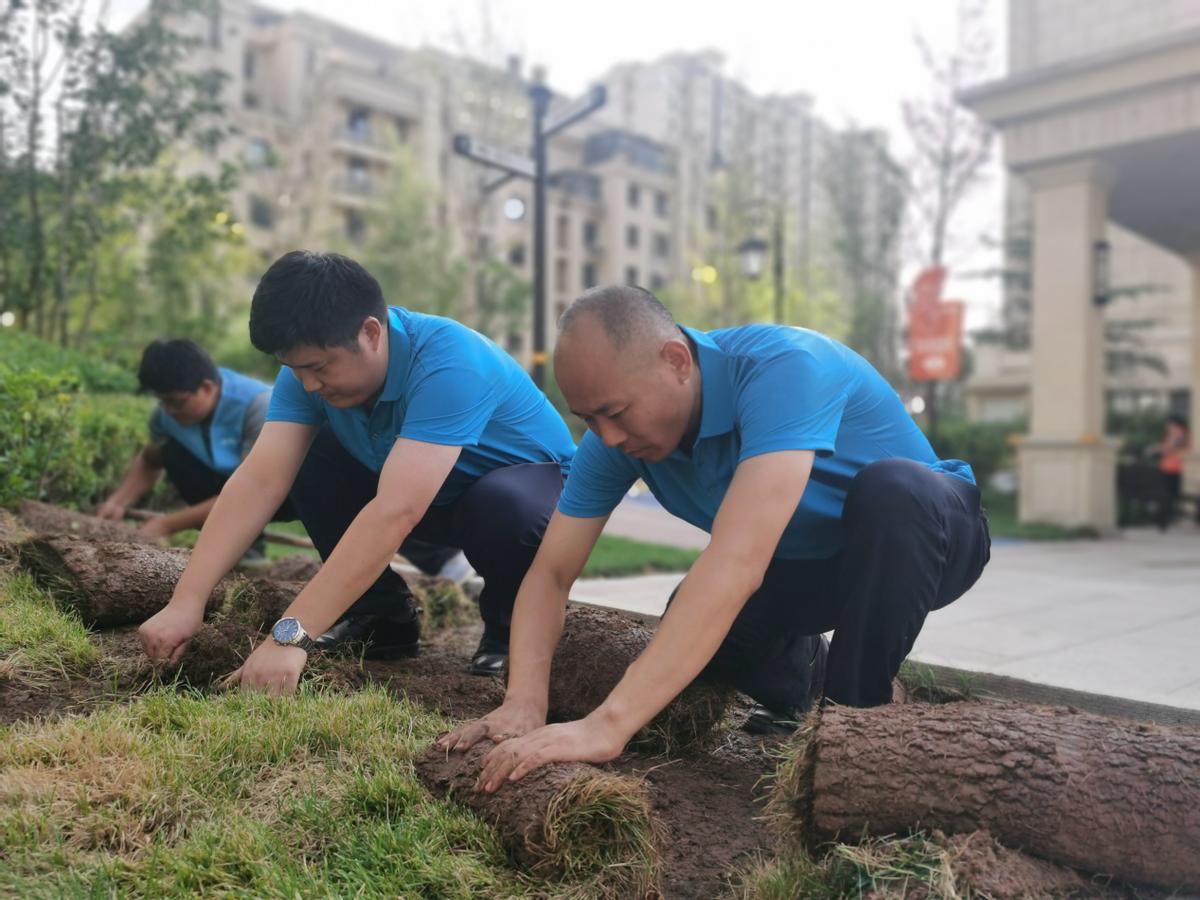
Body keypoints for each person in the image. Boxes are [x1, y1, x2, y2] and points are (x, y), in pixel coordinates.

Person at [439, 285, 991, 791]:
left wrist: (608, 725)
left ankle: (855, 725)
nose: (607, 437)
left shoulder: (783, 368)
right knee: (701, 627)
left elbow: (737, 561)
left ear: (676, 361)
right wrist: (524, 701)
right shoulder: (616, 441)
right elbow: (551, 573)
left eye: (614, 412)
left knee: (893, 489)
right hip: (807, 564)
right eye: (589, 419)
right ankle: (808, 681)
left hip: (928, 536)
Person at [137, 250, 575, 684]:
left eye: (319, 367)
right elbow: (258, 480)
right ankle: (382, 617)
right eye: (294, 368)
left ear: (370, 333)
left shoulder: (449, 362)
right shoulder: (306, 376)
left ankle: (510, 629)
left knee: (504, 505)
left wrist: (289, 638)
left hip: (527, 501)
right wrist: (186, 601)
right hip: (424, 499)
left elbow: (395, 512)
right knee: (309, 456)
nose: (307, 383)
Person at [98, 339, 274, 543]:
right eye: (162, 400)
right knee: (170, 453)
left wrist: (166, 524)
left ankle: (241, 540)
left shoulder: (259, 407)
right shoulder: (165, 415)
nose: (168, 410)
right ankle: (237, 542)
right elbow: (149, 461)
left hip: (284, 491)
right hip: (235, 487)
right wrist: (118, 501)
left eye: (176, 402)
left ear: (207, 388)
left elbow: (252, 490)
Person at [1150, 415, 1190, 530]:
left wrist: (1155, 449)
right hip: (1170, 468)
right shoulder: (1180, 434)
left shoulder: (1178, 434)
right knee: (1169, 495)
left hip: (1171, 468)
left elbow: (1170, 448)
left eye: (1168, 424)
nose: (1167, 427)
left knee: (1167, 495)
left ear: (1174, 424)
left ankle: (1163, 520)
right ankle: (1163, 520)